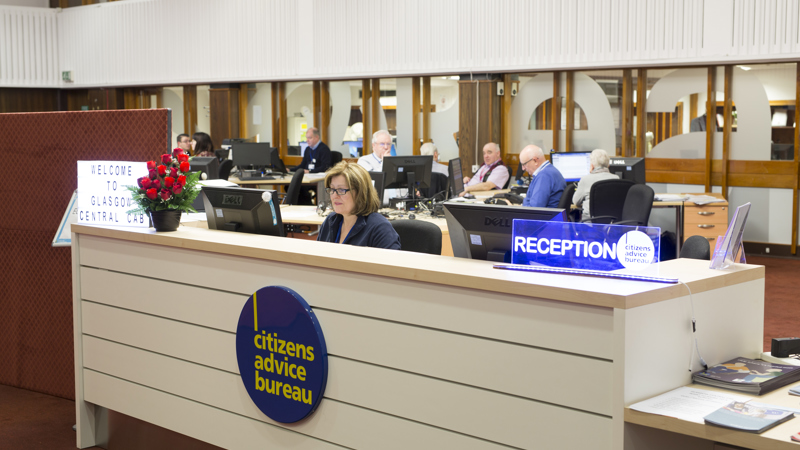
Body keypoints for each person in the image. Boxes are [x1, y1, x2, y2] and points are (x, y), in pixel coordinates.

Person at [317, 161, 401, 249]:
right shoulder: (331, 221)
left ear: (360, 193)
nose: (334, 195)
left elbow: (390, 262)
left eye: (341, 190)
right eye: (332, 189)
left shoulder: (380, 228)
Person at [572, 149, 620, 221]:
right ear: (608, 165)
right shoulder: (616, 179)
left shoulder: (585, 179)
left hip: (590, 224)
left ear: (592, 165)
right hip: (611, 224)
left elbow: (576, 201)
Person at [357, 130, 404, 203]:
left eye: (388, 144)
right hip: (376, 205)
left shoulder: (396, 162)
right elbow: (375, 179)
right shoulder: (364, 161)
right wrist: (386, 162)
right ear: (374, 145)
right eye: (382, 144)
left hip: (397, 204)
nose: (386, 147)